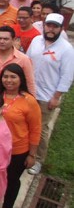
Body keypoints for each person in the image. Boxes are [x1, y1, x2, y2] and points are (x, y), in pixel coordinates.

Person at [26, 13, 74, 175]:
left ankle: (38, 159)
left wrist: (56, 97)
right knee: (25, 124)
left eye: (55, 26)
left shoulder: (66, 49)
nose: (51, 29)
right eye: (49, 25)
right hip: (29, 92)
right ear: (44, 25)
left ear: (61, 28)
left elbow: (67, 76)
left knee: (40, 128)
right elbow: (27, 62)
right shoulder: (36, 41)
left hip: (46, 97)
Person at [0, 64, 40, 208]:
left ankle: (7, 207)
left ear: (21, 79)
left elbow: (35, 129)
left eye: (13, 77)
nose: (9, 80)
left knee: (11, 180)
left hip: (17, 150)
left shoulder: (29, 101)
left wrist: (32, 155)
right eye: (5, 76)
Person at [0, 27, 36, 94]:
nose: (2, 41)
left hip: (13, 98)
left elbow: (30, 82)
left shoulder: (23, 59)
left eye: (6, 39)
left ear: (13, 40)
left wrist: (32, 100)